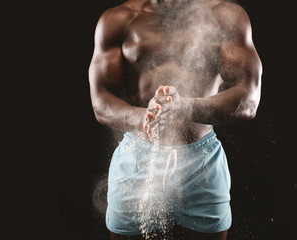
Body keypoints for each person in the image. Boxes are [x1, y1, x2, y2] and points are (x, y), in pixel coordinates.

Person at [88, 0, 262, 239]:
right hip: (138, 159)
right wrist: (144, 118)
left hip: (201, 163)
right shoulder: (119, 19)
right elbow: (100, 101)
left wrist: (187, 108)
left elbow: (248, 99)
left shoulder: (227, 17)